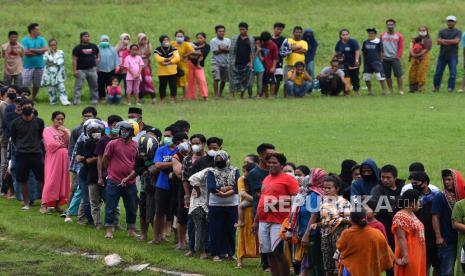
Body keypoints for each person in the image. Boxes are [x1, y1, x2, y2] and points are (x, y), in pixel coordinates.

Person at [253, 152, 299, 276]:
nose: (271, 165)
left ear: (282, 165)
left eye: (274, 163)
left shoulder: (288, 179)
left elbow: (298, 199)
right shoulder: (267, 178)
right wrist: (256, 220)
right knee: (268, 252)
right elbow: (262, 200)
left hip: (279, 221)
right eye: (269, 162)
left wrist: (276, 203)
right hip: (263, 220)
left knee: (278, 251)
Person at [309, 175, 351, 276]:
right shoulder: (323, 202)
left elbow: (349, 221)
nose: (326, 190)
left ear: (336, 188)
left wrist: (335, 220)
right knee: (328, 267)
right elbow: (324, 221)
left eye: (329, 188)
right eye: (324, 188)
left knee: (339, 266)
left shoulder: (344, 203)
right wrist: (317, 224)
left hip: (339, 237)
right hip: (326, 238)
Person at [102, 121, 138, 239]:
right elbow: (105, 158)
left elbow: (137, 163)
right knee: (111, 206)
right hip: (114, 180)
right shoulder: (112, 143)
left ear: (132, 132)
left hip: (131, 181)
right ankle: (109, 230)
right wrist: (110, 171)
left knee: (132, 207)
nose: (124, 132)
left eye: (126, 130)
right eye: (122, 130)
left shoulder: (136, 145)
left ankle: (131, 230)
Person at [336, 207, 394, 276]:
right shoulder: (377, 233)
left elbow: (339, 247)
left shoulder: (346, 234)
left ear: (351, 220)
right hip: (371, 270)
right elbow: (386, 250)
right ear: (365, 218)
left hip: (351, 271)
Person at [369, 164, 403, 276]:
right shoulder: (377, 189)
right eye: (383, 177)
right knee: (386, 260)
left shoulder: (403, 189)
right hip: (383, 230)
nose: (385, 180)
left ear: (395, 178)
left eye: (388, 178)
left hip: (401, 230)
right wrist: (395, 205)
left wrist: (387, 205)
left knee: (401, 257)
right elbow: (373, 204)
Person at [10, 99, 44, 210]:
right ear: (21, 108)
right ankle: (26, 203)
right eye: (24, 107)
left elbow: (40, 136)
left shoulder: (39, 121)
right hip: (21, 154)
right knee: (23, 179)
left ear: (33, 108)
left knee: (41, 178)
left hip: (36, 153)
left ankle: (45, 202)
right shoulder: (15, 123)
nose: (27, 108)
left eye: (29, 106)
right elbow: (14, 139)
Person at [406, 171, 440, 275]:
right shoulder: (410, 197)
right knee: (421, 268)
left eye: (416, 183)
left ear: (425, 183)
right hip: (417, 238)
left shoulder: (437, 197)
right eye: (412, 183)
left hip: (434, 238)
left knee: (438, 266)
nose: (413, 185)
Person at [207, 150, 240, 261]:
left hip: (232, 204)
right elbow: (211, 187)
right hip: (216, 204)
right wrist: (228, 188)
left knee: (231, 230)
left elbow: (237, 187)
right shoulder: (211, 171)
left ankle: (230, 252)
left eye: (221, 159)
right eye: (216, 159)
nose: (218, 161)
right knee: (216, 229)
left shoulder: (235, 171)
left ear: (226, 159)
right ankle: (215, 253)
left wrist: (225, 192)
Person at [432, 169, 463, 276]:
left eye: (449, 179)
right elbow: (435, 217)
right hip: (447, 240)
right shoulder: (440, 197)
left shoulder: (460, 196)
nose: (446, 182)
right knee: (447, 270)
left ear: (456, 180)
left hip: (460, 239)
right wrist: (438, 236)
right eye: (444, 180)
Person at [152, 126, 179, 244]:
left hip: (177, 186)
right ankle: (156, 238)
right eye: (165, 136)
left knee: (177, 213)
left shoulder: (180, 150)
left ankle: (178, 239)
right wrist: (174, 163)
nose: (166, 138)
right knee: (159, 212)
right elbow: (157, 165)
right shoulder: (161, 149)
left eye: (169, 136)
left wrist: (167, 164)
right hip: (162, 185)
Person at [392, 189, 426, 276]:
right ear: (412, 203)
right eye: (418, 201)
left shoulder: (411, 214)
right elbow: (401, 237)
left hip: (417, 255)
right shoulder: (400, 216)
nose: (419, 204)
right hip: (409, 255)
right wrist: (405, 256)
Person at [41, 111, 70, 213]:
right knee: (51, 180)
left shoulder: (65, 131)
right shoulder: (47, 130)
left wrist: (66, 133)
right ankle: (44, 205)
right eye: (58, 119)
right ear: (53, 119)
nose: (60, 121)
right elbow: (50, 144)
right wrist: (62, 145)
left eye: (62, 119)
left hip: (64, 159)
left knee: (62, 181)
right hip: (53, 159)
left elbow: (69, 144)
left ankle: (57, 204)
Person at [301, 168, 327, 276]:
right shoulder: (321, 192)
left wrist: (306, 235)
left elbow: (314, 215)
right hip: (319, 232)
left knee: (316, 263)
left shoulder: (315, 194)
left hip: (313, 234)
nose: (310, 177)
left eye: (312, 175)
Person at [236, 161, 259, 268]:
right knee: (243, 235)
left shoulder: (256, 179)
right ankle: (239, 260)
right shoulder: (242, 179)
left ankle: (265, 261)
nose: (243, 173)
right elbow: (242, 193)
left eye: (245, 171)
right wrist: (257, 200)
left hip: (256, 209)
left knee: (259, 235)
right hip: (251, 207)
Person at [434, 15, 461, 93]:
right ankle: (436, 87)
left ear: (455, 22)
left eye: (452, 21)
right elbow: (438, 41)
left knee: (453, 73)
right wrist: (450, 41)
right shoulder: (442, 31)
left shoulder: (458, 31)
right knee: (438, 72)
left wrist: (444, 41)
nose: (450, 23)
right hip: (442, 55)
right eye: (449, 21)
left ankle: (450, 88)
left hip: (453, 55)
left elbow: (456, 41)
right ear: (446, 22)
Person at [21, 23, 47, 102]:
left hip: (39, 65)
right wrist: (39, 51)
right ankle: (24, 98)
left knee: (37, 84)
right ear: (32, 30)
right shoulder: (25, 40)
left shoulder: (41, 39)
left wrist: (32, 49)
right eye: (37, 29)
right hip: (27, 66)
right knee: (25, 84)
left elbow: (45, 49)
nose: (39, 31)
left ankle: (32, 98)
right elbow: (26, 52)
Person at [72, 32, 100, 105]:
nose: (87, 38)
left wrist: (96, 62)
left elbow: (97, 55)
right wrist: (75, 70)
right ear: (81, 38)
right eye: (85, 36)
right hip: (81, 70)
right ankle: (76, 100)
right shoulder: (77, 48)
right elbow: (74, 59)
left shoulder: (94, 46)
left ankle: (95, 100)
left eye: (88, 36)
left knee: (95, 86)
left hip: (92, 69)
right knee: (78, 86)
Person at [41, 38, 70, 106]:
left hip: (59, 73)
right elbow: (46, 62)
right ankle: (53, 102)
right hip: (49, 74)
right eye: (51, 45)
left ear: (56, 45)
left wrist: (52, 61)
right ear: (49, 45)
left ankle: (65, 101)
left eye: (54, 45)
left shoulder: (61, 52)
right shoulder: (46, 53)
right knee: (51, 89)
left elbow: (60, 62)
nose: (53, 46)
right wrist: (54, 62)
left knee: (62, 87)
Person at [229, 22, 254, 98]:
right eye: (240, 29)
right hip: (235, 62)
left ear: (247, 30)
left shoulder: (250, 40)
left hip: (245, 63)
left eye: (243, 29)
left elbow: (251, 52)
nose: (241, 31)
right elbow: (232, 50)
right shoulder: (234, 38)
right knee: (232, 79)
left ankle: (242, 95)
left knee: (244, 80)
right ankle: (232, 95)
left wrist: (250, 62)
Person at [380, 19, 405, 95]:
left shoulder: (399, 35)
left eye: (391, 24)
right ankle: (391, 90)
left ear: (394, 25)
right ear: (386, 25)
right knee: (387, 76)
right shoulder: (382, 35)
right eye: (388, 24)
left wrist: (398, 56)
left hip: (395, 58)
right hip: (385, 59)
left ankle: (400, 90)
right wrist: (381, 56)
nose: (390, 26)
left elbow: (401, 47)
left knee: (398, 75)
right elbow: (380, 47)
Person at [362, 28, 388, 95]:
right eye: (369, 33)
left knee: (381, 77)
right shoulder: (365, 42)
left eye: (372, 33)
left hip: (376, 62)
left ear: (375, 34)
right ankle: (370, 91)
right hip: (367, 63)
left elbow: (381, 52)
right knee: (366, 78)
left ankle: (384, 91)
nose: (370, 34)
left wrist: (380, 61)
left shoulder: (378, 42)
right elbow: (364, 52)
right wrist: (364, 62)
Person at [334, 29, 360, 95]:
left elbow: (357, 51)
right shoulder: (339, 43)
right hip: (343, 63)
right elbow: (336, 52)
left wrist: (356, 60)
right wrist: (333, 60)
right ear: (340, 36)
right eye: (343, 35)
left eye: (346, 34)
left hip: (353, 62)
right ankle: (346, 91)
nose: (345, 36)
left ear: (349, 35)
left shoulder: (353, 42)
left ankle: (356, 91)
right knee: (346, 76)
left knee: (355, 77)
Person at [154, 35, 180, 103]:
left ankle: (173, 98)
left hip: (172, 71)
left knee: (173, 85)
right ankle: (162, 99)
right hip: (162, 72)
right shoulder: (158, 49)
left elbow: (177, 58)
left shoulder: (173, 48)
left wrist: (169, 62)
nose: (166, 41)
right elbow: (157, 58)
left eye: (167, 40)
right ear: (161, 41)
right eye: (164, 40)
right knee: (162, 86)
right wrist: (167, 59)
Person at [408, 26, 432, 93]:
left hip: (424, 57)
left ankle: (420, 88)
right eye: (420, 30)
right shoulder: (415, 39)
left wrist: (417, 55)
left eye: (423, 30)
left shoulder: (428, 39)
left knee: (421, 71)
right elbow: (411, 46)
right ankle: (412, 88)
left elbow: (426, 49)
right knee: (412, 71)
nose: (422, 31)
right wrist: (413, 55)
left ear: (426, 31)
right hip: (414, 57)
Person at [187, 32, 210, 100]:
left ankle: (205, 96)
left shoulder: (207, 46)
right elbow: (188, 51)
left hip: (199, 66)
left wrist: (191, 52)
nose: (199, 39)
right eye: (198, 38)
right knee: (191, 80)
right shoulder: (193, 44)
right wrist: (191, 53)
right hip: (190, 64)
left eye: (201, 38)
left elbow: (200, 52)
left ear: (204, 38)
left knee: (202, 80)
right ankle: (191, 96)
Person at [171, 30, 194, 98]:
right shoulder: (172, 44)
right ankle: (174, 96)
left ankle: (185, 96)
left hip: (183, 64)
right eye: (178, 36)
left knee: (184, 81)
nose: (179, 37)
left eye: (181, 36)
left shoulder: (186, 44)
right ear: (175, 37)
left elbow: (192, 51)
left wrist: (186, 55)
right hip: (174, 64)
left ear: (183, 37)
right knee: (174, 81)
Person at [96, 35, 119, 102]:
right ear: (101, 41)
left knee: (110, 84)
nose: (105, 42)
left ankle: (110, 97)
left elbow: (116, 58)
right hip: (100, 70)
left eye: (106, 40)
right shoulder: (97, 48)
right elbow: (94, 58)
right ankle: (102, 97)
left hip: (111, 69)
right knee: (101, 84)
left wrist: (117, 66)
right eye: (103, 40)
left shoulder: (112, 49)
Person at [210, 25, 230, 98]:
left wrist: (221, 49)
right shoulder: (213, 41)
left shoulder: (228, 40)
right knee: (216, 78)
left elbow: (230, 50)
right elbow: (215, 52)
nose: (221, 32)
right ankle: (216, 95)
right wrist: (225, 49)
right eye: (220, 31)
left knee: (223, 80)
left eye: (223, 31)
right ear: (216, 32)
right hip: (216, 62)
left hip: (226, 62)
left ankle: (220, 93)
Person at [137, 33, 156, 104]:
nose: (143, 41)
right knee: (140, 83)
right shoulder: (136, 47)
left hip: (146, 67)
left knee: (149, 82)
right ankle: (141, 98)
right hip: (138, 68)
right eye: (142, 39)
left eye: (145, 39)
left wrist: (147, 44)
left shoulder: (148, 46)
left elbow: (148, 54)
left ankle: (153, 98)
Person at [260, 31, 279, 99]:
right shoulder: (262, 44)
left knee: (272, 82)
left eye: (266, 41)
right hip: (262, 67)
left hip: (270, 67)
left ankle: (271, 95)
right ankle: (265, 94)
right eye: (264, 41)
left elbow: (275, 58)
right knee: (264, 81)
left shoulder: (274, 46)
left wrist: (273, 67)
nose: (265, 42)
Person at [271, 22, 286, 96]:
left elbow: (285, 51)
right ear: (274, 29)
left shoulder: (284, 40)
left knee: (278, 77)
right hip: (268, 61)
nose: (279, 31)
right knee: (267, 77)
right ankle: (265, 93)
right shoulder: (269, 38)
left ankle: (274, 94)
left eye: (281, 29)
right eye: (278, 29)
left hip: (278, 61)